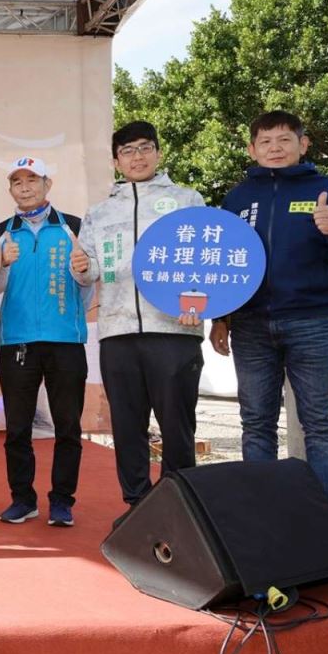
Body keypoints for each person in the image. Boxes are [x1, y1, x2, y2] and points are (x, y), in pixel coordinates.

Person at [71, 121, 206, 509]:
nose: (138, 157)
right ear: (117, 161)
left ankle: (181, 508)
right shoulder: (99, 212)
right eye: (128, 151)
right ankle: (138, 507)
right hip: (118, 332)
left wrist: (196, 308)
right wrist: (80, 267)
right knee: (128, 428)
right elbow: (90, 270)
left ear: (158, 153)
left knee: (177, 427)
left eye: (145, 147)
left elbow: (204, 262)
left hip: (174, 330)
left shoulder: (187, 200)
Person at [211, 110, 328, 506]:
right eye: (265, 142)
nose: (275, 148)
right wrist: (221, 318)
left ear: (303, 144)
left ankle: (322, 514)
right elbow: (224, 263)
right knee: (255, 423)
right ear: (252, 149)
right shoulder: (236, 198)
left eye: (285, 139)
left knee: (321, 424)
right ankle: (263, 513)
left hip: (314, 320)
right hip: (250, 325)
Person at [0, 157, 88, 527]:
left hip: (66, 340)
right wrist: (1, 263)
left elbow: (88, 281)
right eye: (18, 182)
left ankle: (62, 501)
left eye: (32, 180)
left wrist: (82, 270)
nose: (25, 187)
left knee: (68, 427)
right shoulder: (1, 232)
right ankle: (22, 499)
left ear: (48, 184)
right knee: (17, 428)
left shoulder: (74, 227)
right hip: (17, 341)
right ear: (10, 190)